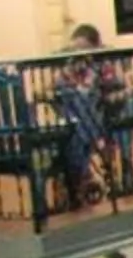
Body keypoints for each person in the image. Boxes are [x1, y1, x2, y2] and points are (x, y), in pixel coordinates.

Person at [51, 22, 128, 202]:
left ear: (95, 48)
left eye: (83, 49)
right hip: (72, 117)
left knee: (78, 125)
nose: (78, 54)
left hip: (98, 115)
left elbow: (118, 87)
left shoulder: (102, 63)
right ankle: (79, 176)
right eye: (74, 49)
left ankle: (77, 177)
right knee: (75, 108)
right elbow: (56, 89)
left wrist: (106, 95)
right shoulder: (69, 65)